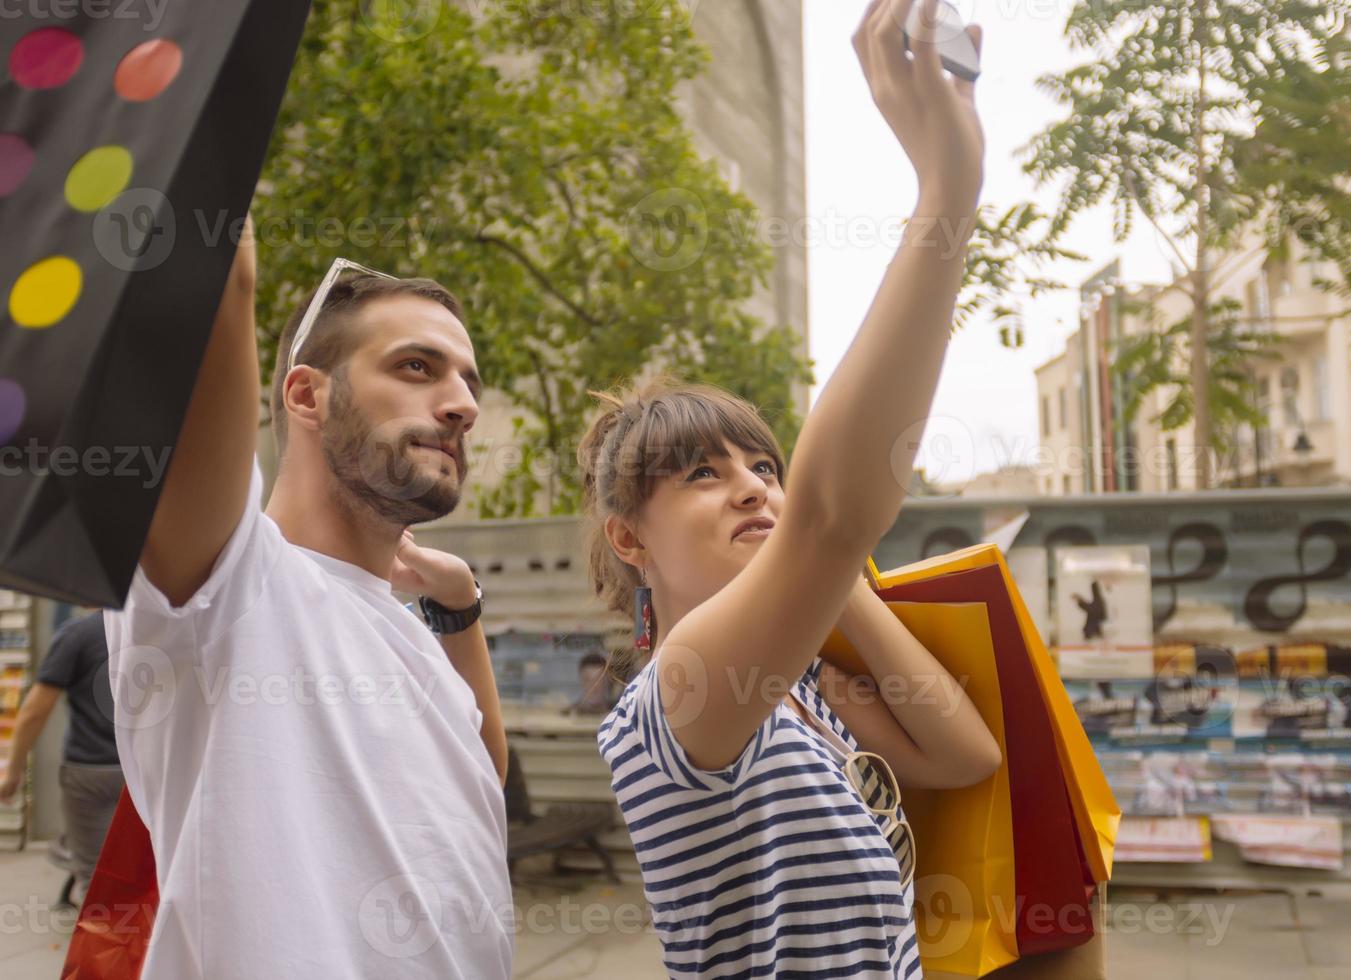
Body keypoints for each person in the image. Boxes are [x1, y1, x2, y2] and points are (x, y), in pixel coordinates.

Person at [577, 2, 998, 975]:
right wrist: (947, 188)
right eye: (701, 473)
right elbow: (830, 509)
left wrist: (832, 575)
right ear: (629, 539)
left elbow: (963, 753)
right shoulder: (672, 699)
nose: (750, 487)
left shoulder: (803, 686)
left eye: (762, 466)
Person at [102, 228, 513, 978]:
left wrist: (459, 611)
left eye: (469, 383)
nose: (461, 406)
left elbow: (479, 786)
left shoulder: (414, 630)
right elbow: (216, 269)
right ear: (305, 394)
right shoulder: (230, 584)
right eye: (417, 367)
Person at [0, 609, 123, 901]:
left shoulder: (77, 634)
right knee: (151, 870)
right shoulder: (158, 629)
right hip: (149, 771)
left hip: (89, 772)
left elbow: (35, 711)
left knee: (97, 879)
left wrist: (13, 771)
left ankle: (108, 941)